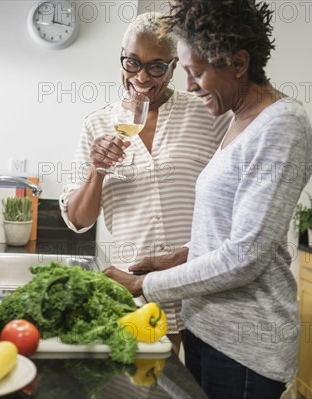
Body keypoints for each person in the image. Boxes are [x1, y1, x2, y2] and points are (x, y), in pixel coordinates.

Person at [103, 1, 312, 398]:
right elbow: (230, 229)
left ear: (237, 63)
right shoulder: (240, 119)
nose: (189, 86)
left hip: (244, 346)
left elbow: (244, 256)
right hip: (207, 329)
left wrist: (142, 284)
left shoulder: (282, 126)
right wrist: (185, 253)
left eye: (196, 72)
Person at [59, 12, 232, 353]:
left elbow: (232, 198)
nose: (141, 76)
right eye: (132, 63)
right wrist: (97, 171)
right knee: (139, 385)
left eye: (156, 67)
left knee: (194, 389)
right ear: (121, 58)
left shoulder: (208, 114)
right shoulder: (97, 124)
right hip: (133, 293)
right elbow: (79, 221)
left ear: (173, 67)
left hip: (200, 291)